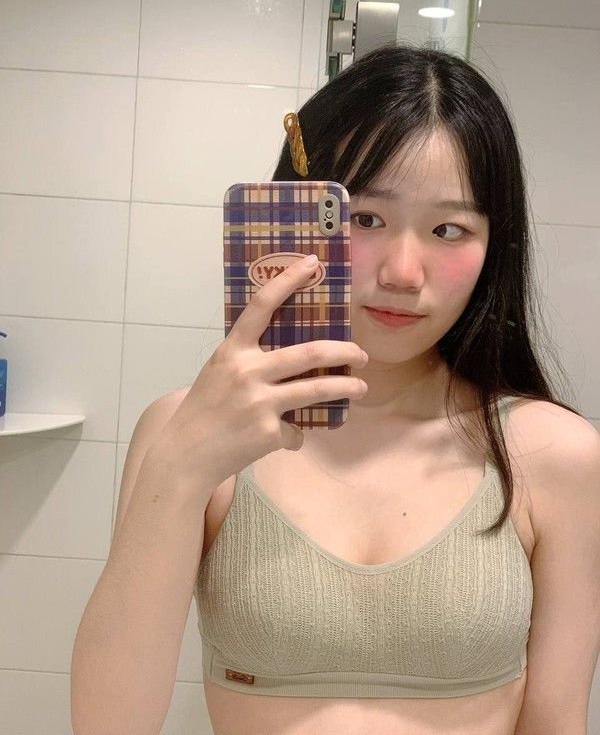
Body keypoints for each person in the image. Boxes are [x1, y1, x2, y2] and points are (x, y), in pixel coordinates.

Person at [72, 42, 599, 735]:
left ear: (493, 248)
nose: (404, 272)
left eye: (449, 229)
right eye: (365, 218)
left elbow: (555, 720)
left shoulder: (554, 454)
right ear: (295, 216)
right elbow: (108, 723)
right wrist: (180, 466)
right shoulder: (191, 434)